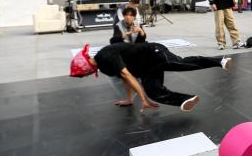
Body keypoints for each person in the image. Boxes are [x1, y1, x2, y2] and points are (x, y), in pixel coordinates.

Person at [70, 42, 233, 113]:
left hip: (154, 53)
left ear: (85, 67)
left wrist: (142, 98)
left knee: (182, 64)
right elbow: (126, 79)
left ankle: (220, 60)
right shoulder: (103, 66)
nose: (87, 75)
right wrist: (130, 99)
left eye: (84, 74)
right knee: (154, 92)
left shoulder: (105, 57)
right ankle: (186, 100)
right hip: (148, 67)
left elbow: (127, 75)